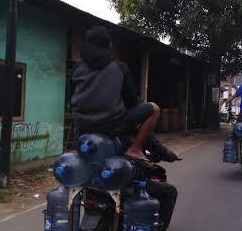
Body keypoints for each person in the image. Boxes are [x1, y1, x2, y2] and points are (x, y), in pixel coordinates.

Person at [70, 25, 179, 162]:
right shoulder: (119, 67)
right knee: (154, 109)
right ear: (109, 45)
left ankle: (158, 151)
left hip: (83, 127)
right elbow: (131, 101)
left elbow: (72, 96)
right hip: (112, 125)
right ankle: (135, 149)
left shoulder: (77, 68)